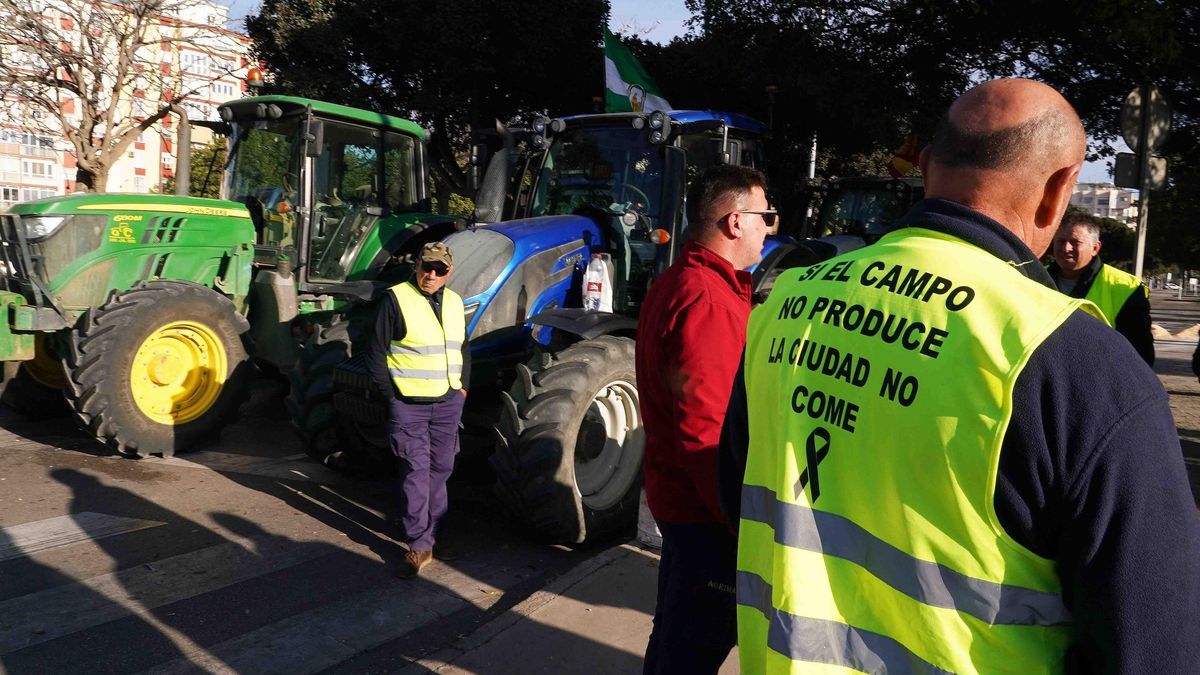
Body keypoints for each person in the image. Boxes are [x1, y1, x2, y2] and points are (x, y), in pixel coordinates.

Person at [719, 78, 1200, 673]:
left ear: (924, 167)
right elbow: (1153, 646)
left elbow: (737, 490)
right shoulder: (1079, 367)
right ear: (1058, 191)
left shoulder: (784, 302)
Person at [637, 164, 774, 674]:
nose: (769, 227)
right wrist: (741, 522)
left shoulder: (682, 280)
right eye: (766, 216)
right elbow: (706, 431)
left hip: (681, 504)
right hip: (707, 516)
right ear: (736, 221)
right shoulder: (708, 299)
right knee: (690, 651)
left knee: (673, 639)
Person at [366, 241, 470, 579]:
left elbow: (463, 347)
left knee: (441, 469)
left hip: (448, 402)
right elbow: (376, 353)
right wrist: (392, 396)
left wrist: (462, 387)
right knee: (415, 471)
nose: (431, 274)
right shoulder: (396, 298)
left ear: (449, 272)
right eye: (427, 267)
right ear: (417, 266)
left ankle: (434, 533)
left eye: (439, 269)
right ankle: (419, 543)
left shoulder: (455, 302)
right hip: (409, 404)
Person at [1048, 213, 1154, 364]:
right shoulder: (1034, 278)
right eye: (1060, 241)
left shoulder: (1127, 288)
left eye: (1074, 242)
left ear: (1095, 248)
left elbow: (1140, 355)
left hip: (1101, 380)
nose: (1066, 248)